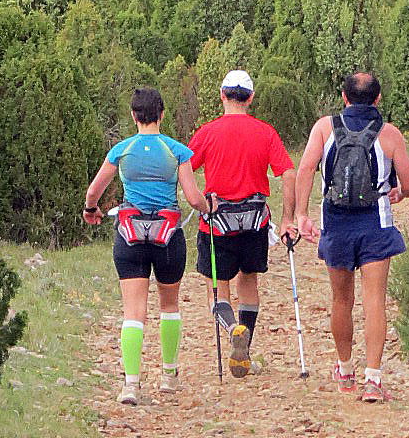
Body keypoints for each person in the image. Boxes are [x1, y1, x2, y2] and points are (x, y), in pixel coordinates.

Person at [295, 71, 409, 403]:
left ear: (344, 96)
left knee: (341, 300)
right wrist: (399, 194)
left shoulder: (325, 127)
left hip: (336, 224)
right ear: (378, 99)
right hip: (374, 224)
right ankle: (374, 380)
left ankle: (346, 369)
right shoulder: (390, 134)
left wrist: (301, 215)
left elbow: (306, 168)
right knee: (374, 300)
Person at [83, 85, 210, 405]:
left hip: (130, 236)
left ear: (134, 116)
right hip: (168, 238)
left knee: (133, 312)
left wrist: (91, 210)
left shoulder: (121, 150)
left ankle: (131, 384)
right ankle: (169, 376)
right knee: (169, 306)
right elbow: (194, 198)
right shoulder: (178, 151)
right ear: (161, 115)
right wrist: (208, 206)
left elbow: (93, 191)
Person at [187, 68, 297, 378]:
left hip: (216, 224)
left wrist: (198, 199)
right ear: (250, 98)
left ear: (222, 95)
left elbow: (185, 168)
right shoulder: (265, 132)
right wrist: (288, 219)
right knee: (249, 281)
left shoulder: (207, 132)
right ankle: (245, 348)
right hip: (255, 222)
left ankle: (233, 328)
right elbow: (288, 173)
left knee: (217, 289)